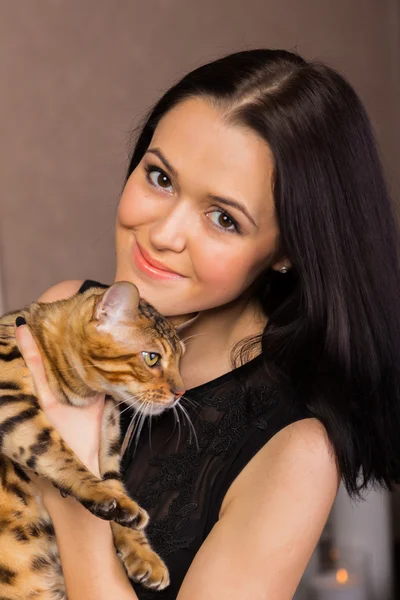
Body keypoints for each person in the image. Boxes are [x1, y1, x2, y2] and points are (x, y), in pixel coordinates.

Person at [15, 48, 400, 599]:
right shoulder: (67, 310)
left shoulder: (294, 452)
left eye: (223, 218)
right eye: (160, 177)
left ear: (286, 249)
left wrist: (75, 492)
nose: (164, 234)